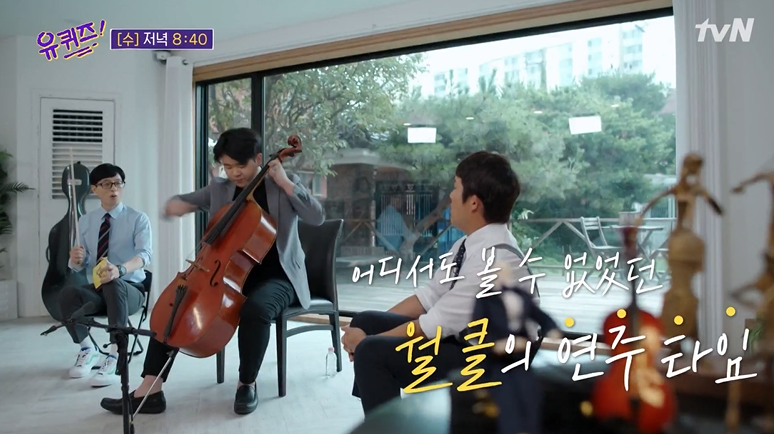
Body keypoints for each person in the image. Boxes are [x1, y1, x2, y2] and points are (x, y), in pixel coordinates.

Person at [100, 127, 324, 416]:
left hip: (277, 276)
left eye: (240, 166)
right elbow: (188, 200)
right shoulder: (220, 188)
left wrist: (284, 182)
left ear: (258, 159)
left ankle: (246, 383)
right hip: (227, 274)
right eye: (227, 167)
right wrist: (177, 205)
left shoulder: (283, 183)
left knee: (256, 310)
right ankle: (150, 390)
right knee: (176, 302)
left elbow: (316, 217)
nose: (234, 173)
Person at [341, 151, 538, 415]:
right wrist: (366, 333)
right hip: (468, 341)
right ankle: (380, 404)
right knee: (366, 321)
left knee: (372, 351)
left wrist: (366, 342)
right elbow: (429, 296)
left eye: (455, 188)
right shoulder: (467, 244)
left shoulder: (494, 258)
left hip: (491, 362)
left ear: (474, 203)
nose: (451, 197)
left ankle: (384, 420)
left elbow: (433, 324)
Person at [59, 163, 152, 388]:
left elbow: (145, 255)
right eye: (107, 184)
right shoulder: (86, 221)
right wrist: (76, 259)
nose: (114, 188)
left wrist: (120, 269)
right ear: (94, 189)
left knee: (113, 283)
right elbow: (80, 264)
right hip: (100, 289)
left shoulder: (138, 219)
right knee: (68, 294)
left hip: (130, 290)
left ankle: (115, 354)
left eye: (118, 183)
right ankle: (87, 349)